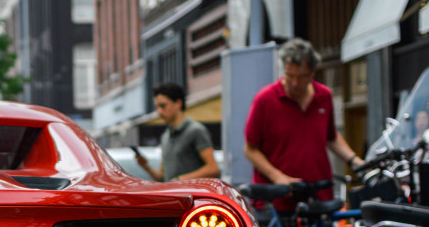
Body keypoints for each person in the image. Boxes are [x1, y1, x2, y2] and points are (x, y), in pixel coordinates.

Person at [243, 38, 364, 211]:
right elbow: (250, 149)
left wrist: (355, 161)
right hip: (277, 200)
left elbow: (330, 137)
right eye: (289, 76)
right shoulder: (265, 100)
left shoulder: (324, 96)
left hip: (318, 196)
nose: (294, 83)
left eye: (301, 77)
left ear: (313, 72)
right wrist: (278, 177)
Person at [134, 82, 220, 181]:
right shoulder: (165, 136)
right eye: (157, 107)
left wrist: (180, 180)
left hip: (192, 195)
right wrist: (146, 167)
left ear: (178, 103)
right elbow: (163, 177)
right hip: (173, 195)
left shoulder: (196, 130)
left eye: (163, 106)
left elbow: (213, 169)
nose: (159, 112)